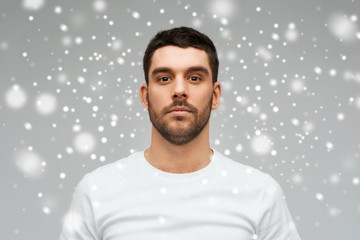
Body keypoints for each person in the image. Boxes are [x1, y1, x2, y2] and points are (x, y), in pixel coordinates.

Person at [60, 26, 301, 240]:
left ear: (215, 95)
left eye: (194, 78)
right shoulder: (97, 190)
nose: (179, 90)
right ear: (145, 96)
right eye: (164, 78)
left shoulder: (260, 192)